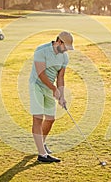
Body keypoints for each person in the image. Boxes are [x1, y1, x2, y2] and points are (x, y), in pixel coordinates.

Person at [29, 31, 74, 163]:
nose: (66, 50)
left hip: (49, 87)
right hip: (36, 85)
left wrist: (62, 95)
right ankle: (42, 155)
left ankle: (41, 145)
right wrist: (54, 89)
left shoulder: (64, 57)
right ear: (59, 42)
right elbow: (41, 73)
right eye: (65, 47)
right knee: (38, 118)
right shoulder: (41, 50)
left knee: (50, 118)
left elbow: (60, 77)